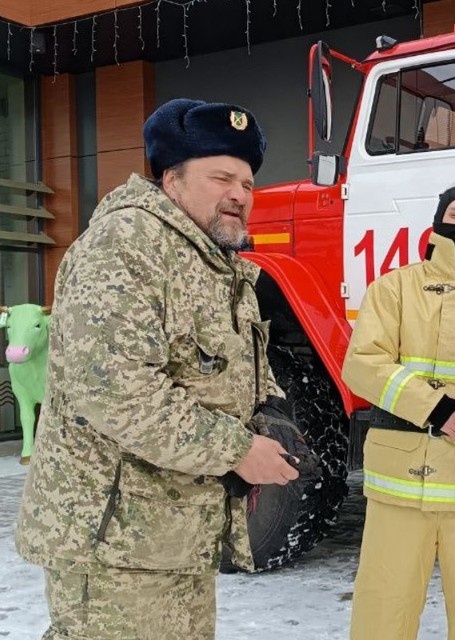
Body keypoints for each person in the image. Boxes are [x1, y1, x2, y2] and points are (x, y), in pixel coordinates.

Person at [16, 98, 300, 640]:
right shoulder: (124, 244)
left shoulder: (215, 262)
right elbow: (116, 390)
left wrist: (268, 418)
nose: (239, 194)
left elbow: (225, 369)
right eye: (221, 177)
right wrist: (237, 450)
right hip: (114, 547)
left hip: (173, 535)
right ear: (171, 179)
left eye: (247, 182)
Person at [342, 184, 455, 640]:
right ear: (438, 221)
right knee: (386, 605)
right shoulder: (393, 288)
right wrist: (437, 409)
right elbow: (362, 366)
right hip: (401, 480)